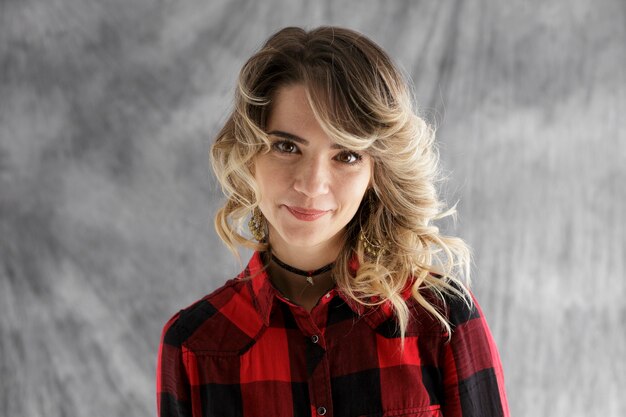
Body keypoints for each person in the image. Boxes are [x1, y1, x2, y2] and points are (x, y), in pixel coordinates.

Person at [157, 26, 509, 417]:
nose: (311, 185)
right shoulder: (195, 345)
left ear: (376, 172)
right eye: (286, 146)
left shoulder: (442, 321)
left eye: (347, 156)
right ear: (248, 153)